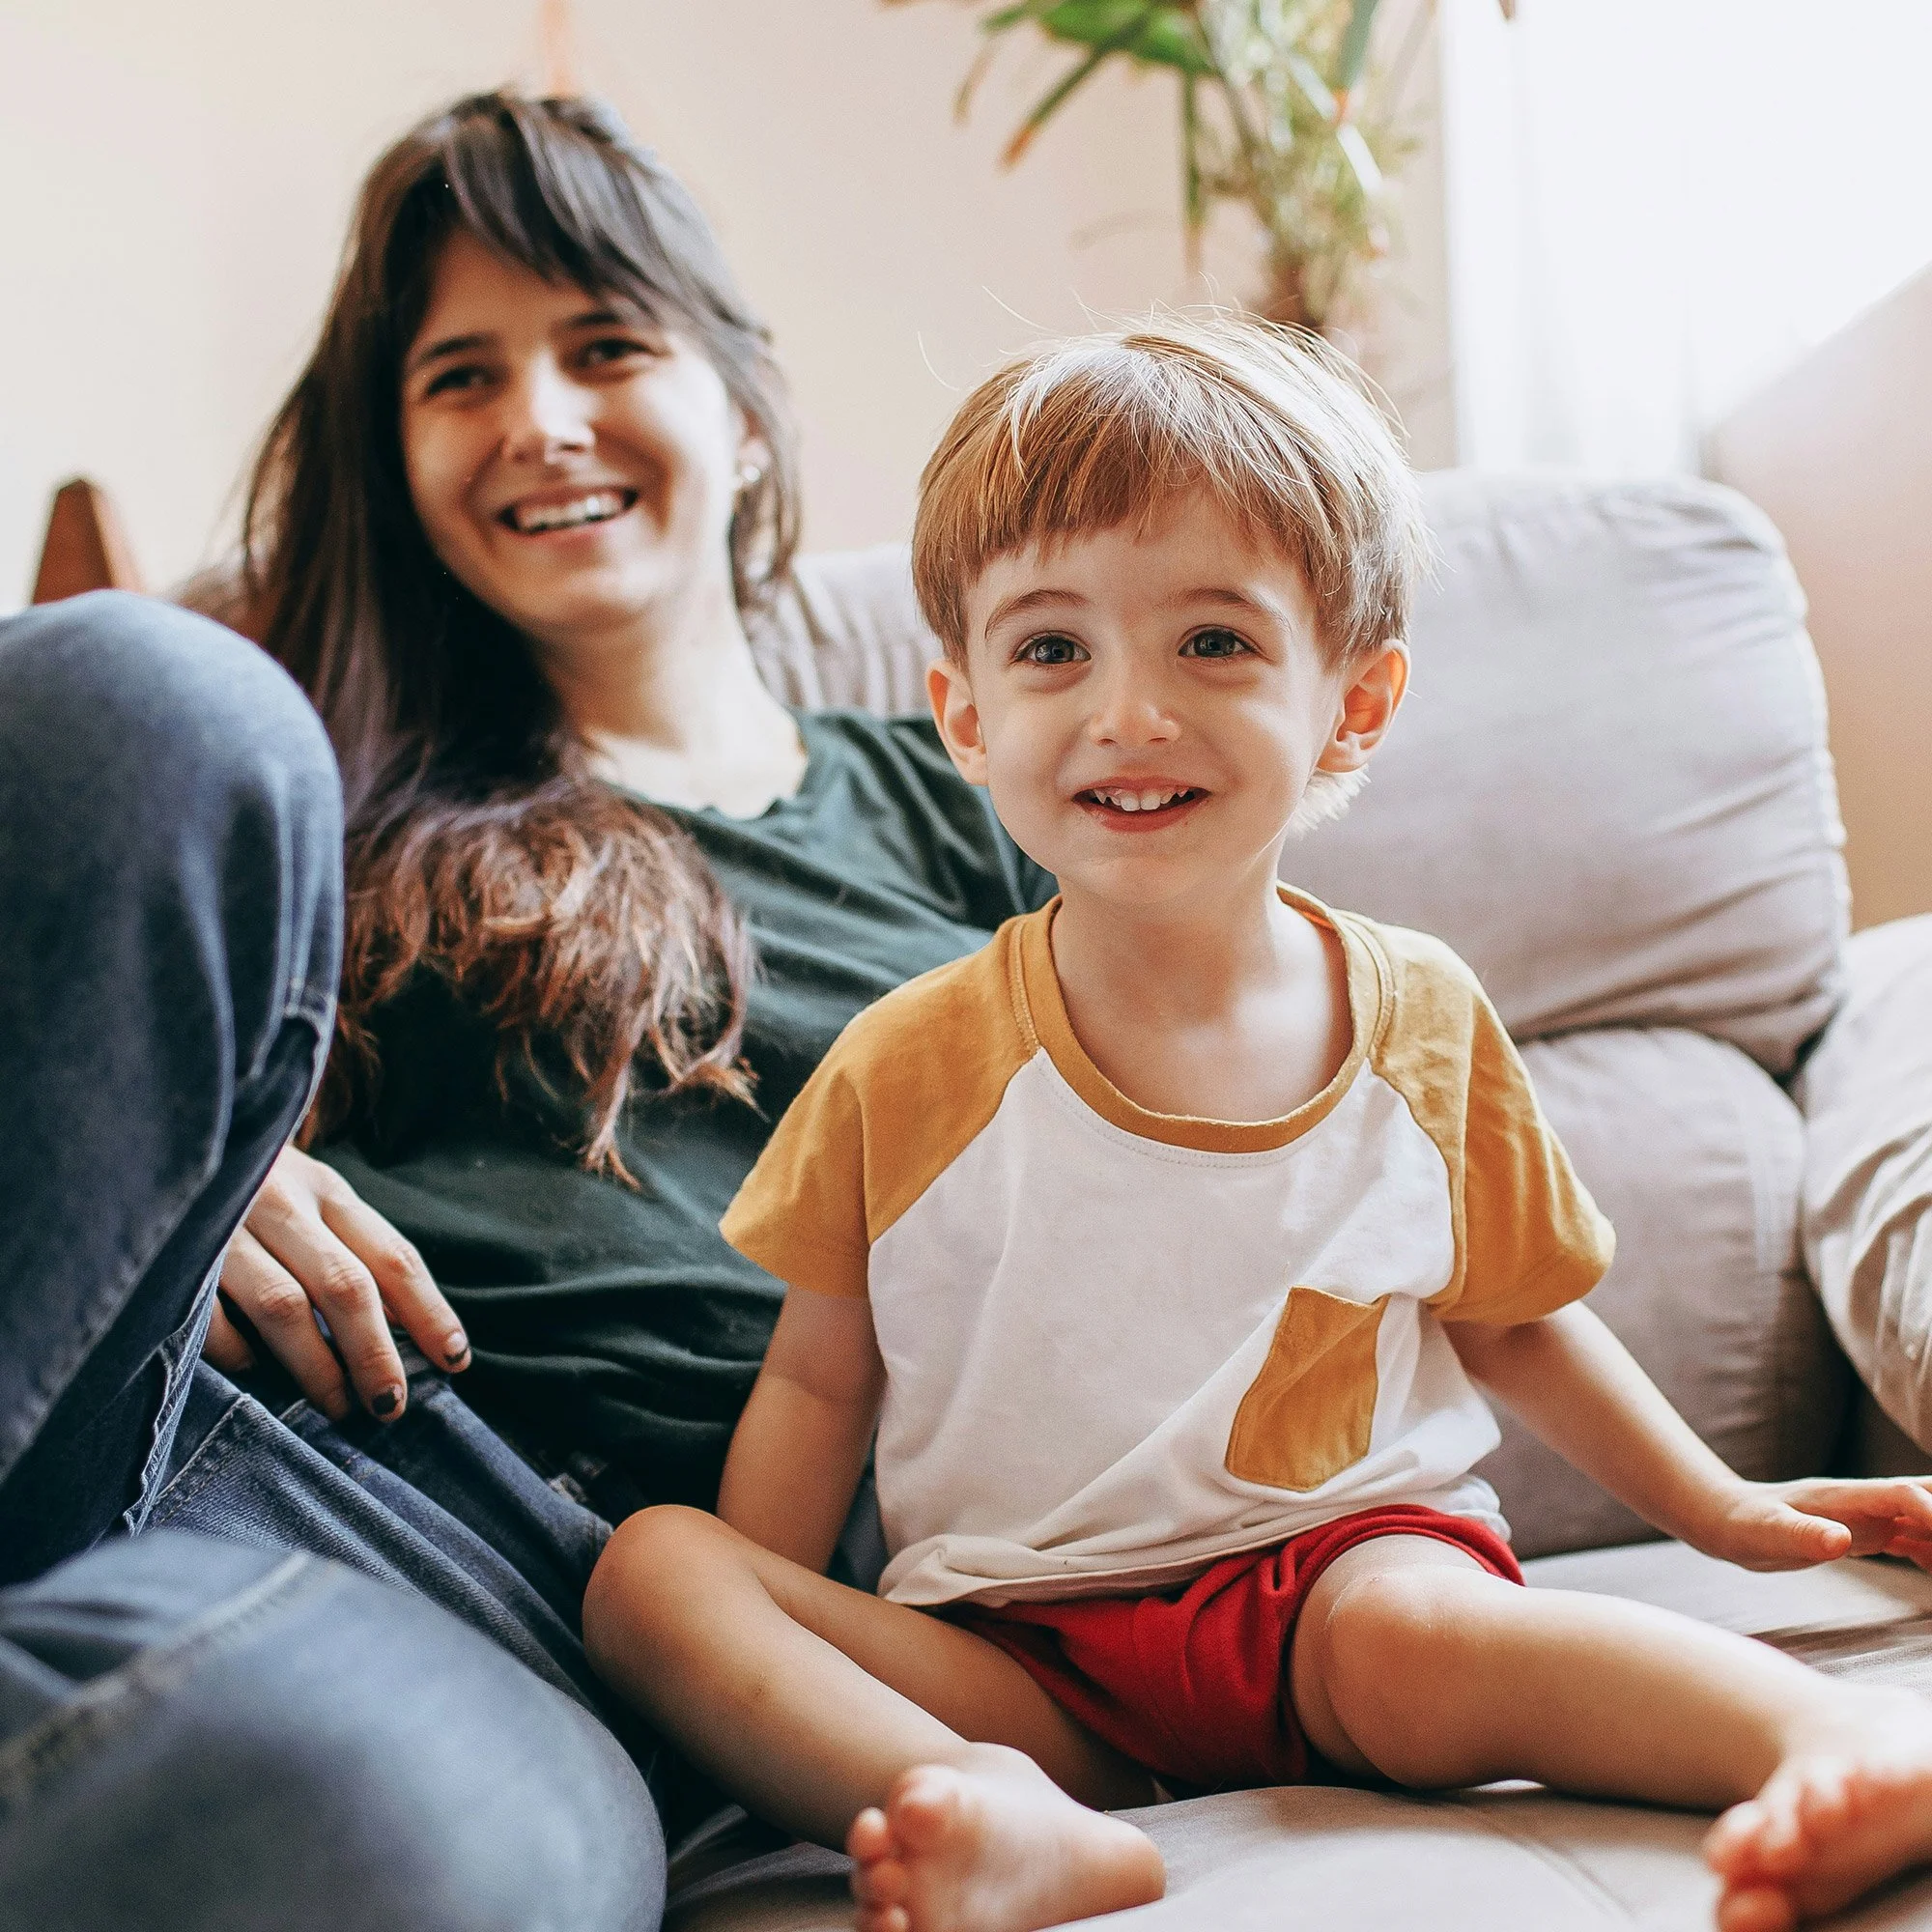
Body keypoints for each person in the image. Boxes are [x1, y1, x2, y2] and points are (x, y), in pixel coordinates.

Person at [580, 315, 1932, 1932]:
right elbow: (816, 1381)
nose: (1128, 711)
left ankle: (1839, 1747)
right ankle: (1007, 1822)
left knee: (1433, 1642)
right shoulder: (902, 1065)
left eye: (1212, 644)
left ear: (1353, 704)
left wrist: (1722, 1506)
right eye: (1051, 650)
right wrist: (780, 1644)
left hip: (1341, 1576)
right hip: (1020, 1656)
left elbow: (1514, 1327)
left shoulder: (1419, 1018)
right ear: (961, 714)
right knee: (654, 1570)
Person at [2, 83, 1059, 1924]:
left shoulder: (984, 809)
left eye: (602, 344)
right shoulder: (328, 789)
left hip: (584, 1632)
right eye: (460, 375)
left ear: (739, 402)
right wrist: (200, 1166)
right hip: (224, 1418)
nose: (540, 422)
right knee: (159, 704)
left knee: (357, 1822)